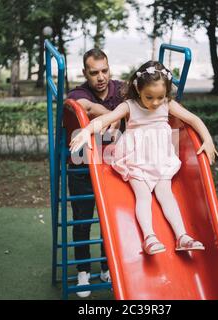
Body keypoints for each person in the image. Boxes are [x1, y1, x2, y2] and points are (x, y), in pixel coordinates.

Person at [69, 60, 218, 257]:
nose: (155, 102)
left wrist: (207, 140)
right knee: (143, 196)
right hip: (136, 159)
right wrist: (86, 131)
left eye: (160, 97)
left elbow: (193, 119)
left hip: (161, 159)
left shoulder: (167, 104)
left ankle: (182, 236)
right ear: (138, 88)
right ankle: (149, 237)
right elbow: (105, 119)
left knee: (167, 195)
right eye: (150, 97)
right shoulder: (129, 106)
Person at [67, 48, 124, 298]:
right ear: (85, 73)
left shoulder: (120, 89)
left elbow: (144, 98)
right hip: (82, 167)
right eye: (94, 73)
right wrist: (114, 116)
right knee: (82, 221)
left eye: (105, 70)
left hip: (112, 167)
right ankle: (82, 271)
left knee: (108, 222)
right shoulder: (79, 92)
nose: (101, 77)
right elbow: (82, 107)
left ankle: (105, 267)